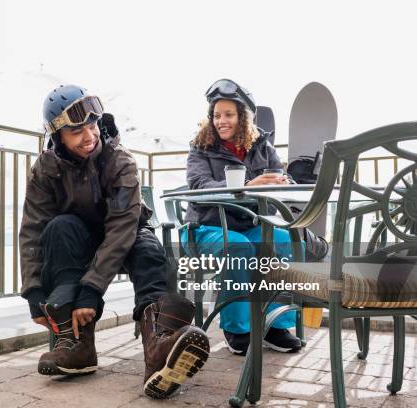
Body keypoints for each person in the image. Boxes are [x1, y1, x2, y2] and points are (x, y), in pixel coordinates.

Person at [19, 84, 210, 398]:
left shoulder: (120, 160)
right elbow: (32, 229)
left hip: (127, 232)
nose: (89, 135)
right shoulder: (45, 169)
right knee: (58, 228)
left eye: (92, 125)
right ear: (57, 136)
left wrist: (91, 291)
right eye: (76, 130)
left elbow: (122, 228)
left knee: (149, 252)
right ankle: (77, 346)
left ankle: (159, 349)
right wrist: (33, 292)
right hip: (79, 237)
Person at [183, 78, 303, 356]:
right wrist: (247, 186)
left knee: (284, 241)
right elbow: (198, 186)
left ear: (243, 117)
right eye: (216, 115)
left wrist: (282, 182)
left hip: (248, 225)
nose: (221, 121)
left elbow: (286, 178)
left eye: (228, 115)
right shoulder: (201, 148)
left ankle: (276, 325)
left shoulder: (261, 146)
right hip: (204, 228)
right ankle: (237, 328)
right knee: (238, 246)